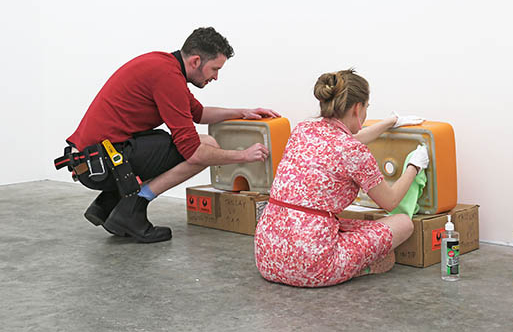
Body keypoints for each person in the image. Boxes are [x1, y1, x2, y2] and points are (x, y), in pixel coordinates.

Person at [59, 27, 279, 243]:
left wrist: (242, 112)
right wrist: (243, 156)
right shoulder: (167, 77)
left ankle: (109, 203)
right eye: (214, 69)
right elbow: (193, 153)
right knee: (205, 146)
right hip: (100, 164)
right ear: (195, 61)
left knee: (187, 143)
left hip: (93, 160)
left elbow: (198, 113)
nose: (216, 77)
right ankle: (132, 208)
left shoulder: (164, 66)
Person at [254, 69, 429, 287]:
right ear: (358, 108)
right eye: (367, 108)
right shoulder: (353, 151)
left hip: (268, 257)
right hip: (311, 266)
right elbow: (391, 201)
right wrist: (414, 166)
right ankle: (360, 267)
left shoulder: (302, 130)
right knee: (403, 223)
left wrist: (389, 122)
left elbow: (345, 141)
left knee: (345, 224)